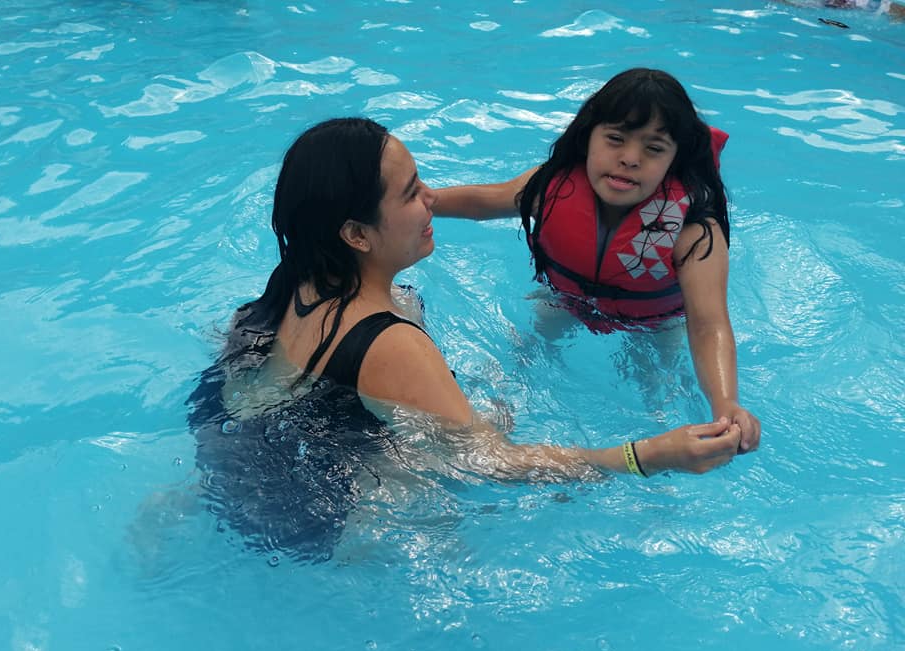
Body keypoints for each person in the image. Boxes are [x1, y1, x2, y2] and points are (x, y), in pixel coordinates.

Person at [187, 117, 742, 561]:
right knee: (465, 520)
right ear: (356, 234)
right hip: (324, 525)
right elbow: (492, 467)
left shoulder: (297, 279)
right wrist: (647, 456)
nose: (430, 201)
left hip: (242, 463)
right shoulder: (391, 342)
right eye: (410, 195)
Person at [431, 68, 761, 454]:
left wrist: (725, 403)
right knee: (525, 354)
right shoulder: (552, 188)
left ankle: (660, 468)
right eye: (615, 139)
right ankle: (503, 411)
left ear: (674, 160)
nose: (630, 159)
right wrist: (416, 202)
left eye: (653, 149)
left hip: (653, 323)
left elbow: (708, 325)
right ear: (587, 138)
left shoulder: (692, 230)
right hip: (566, 298)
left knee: (657, 391)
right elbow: (484, 201)